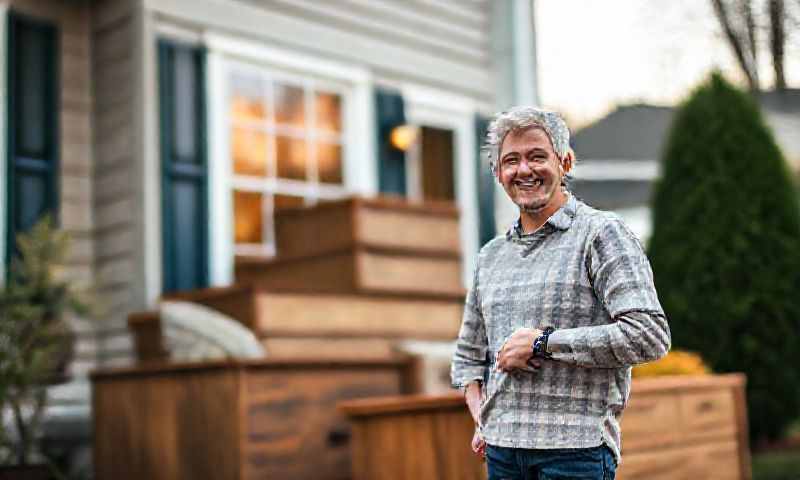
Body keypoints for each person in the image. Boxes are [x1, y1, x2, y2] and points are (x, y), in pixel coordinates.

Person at [451, 106, 671, 480]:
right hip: (502, 455)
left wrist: (543, 343)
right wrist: (482, 417)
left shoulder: (602, 235)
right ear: (498, 174)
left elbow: (648, 335)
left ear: (565, 162)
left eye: (538, 156)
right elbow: (468, 358)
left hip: (575, 453)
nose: (524, 170)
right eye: (511, 161)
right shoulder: (490, 256)